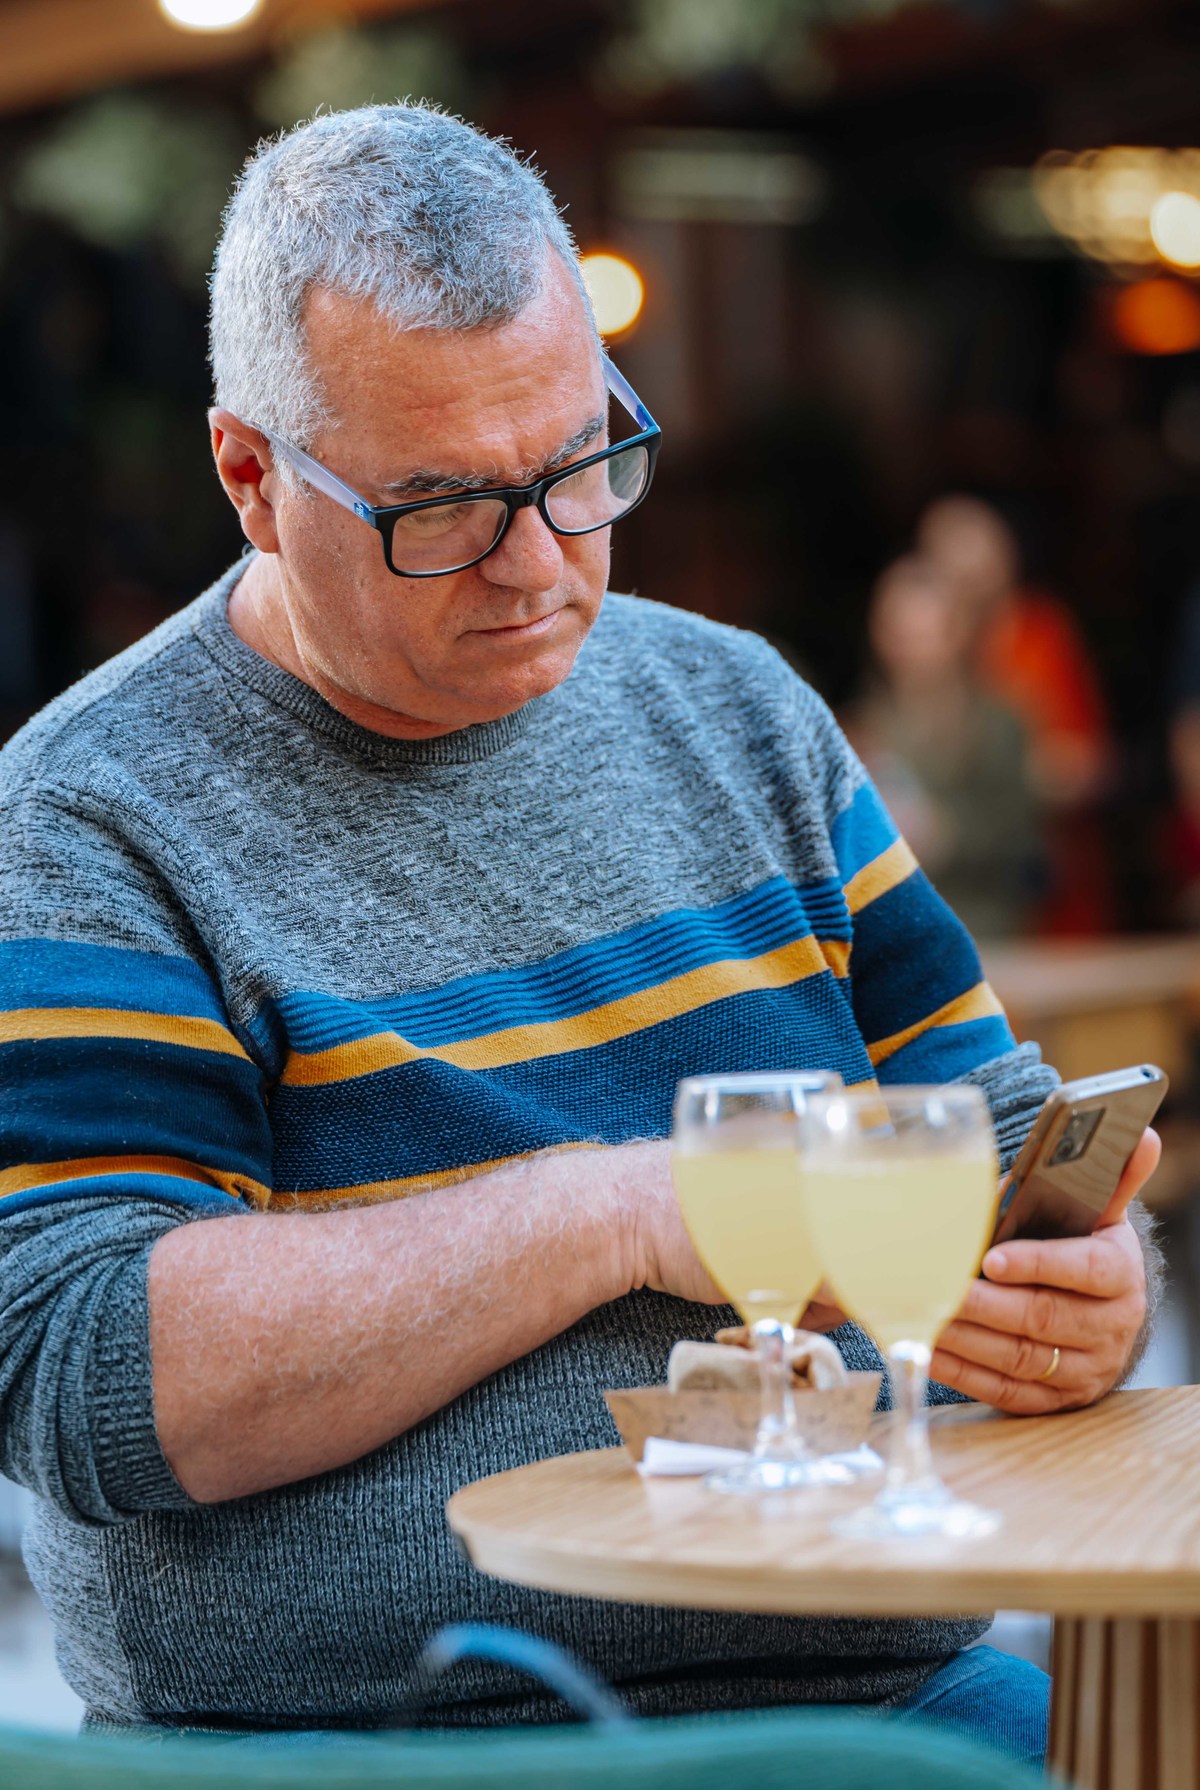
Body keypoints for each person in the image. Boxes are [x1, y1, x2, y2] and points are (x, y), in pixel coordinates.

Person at [0, 106, 1158, 1758]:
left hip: (880, 1691)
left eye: (577, 464)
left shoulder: (745, 715)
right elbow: (84, 1379)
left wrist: (1088, 1288)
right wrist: (621, 1211)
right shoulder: (89, 814)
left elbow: (993, 1138)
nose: (540, 564)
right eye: (444, 509)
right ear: (252, 477)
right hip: (368, 1746)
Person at [916, 495, 1115, 935]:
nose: (968, 580)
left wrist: (1008, 777)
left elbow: (1085, 761)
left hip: (1048, 877)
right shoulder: (924, 654)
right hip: (961, 892)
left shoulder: (1041, 635)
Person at [846, 554, 1044, 939]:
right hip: (899, 936)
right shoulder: (863, 730)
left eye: (923, 634)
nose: (909, 650)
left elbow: (1023, 840)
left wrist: (945, 833)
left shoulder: (999, 725)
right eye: (899, 633)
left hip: (991, 929)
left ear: (957, 632)